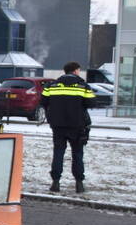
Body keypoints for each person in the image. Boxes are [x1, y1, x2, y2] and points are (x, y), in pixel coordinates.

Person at [40, 61, 95, 193]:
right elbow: (92, 103)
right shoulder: (83, 86)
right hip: (77, 126)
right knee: (77, 154)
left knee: (58, 153)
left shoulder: (51, 86)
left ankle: (55, 183)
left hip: (58, 126)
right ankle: (79, 184)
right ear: (76, 71)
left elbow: (43, 101)